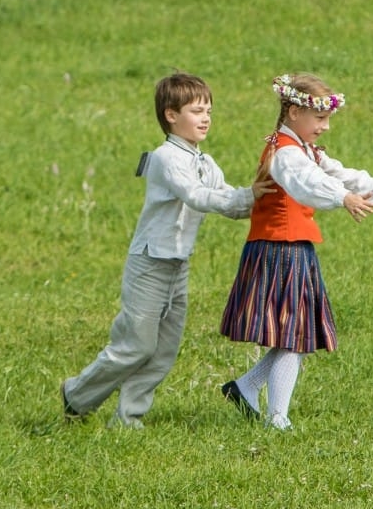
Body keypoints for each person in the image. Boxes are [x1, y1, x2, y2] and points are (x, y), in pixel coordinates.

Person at [219, 72, 373, 430]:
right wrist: (342, 198)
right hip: (279, 247)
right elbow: (308, 184)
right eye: (320, 118)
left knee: (294, 333)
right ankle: (277, 417)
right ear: (292, 113)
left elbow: (345, 175)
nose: (326, 126)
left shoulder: (302, 149)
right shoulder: (286, 154)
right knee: (293, 334)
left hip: (291, 246)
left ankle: (246, 387)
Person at [61, 72, 273, 429]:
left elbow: (229, 204)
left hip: (178, 265)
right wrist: (249, 194)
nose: (205, 117)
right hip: (149, 263)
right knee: (136, 346)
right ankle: (77, 395)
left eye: (209, 110)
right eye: (196, 110)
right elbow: (198, 196)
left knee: (163, 352)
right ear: (171, 115)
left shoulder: (205, 162)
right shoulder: (166, 158)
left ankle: (128, 419)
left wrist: (268, 195)